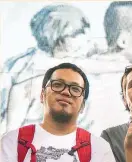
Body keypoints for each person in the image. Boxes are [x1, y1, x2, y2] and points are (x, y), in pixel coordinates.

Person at [3, 4, 93, 134]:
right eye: (78, 32)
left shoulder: (79, 58)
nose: (86, 35)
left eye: (86, 29)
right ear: (57, 37)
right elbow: (11, 128)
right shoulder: (26, 70)